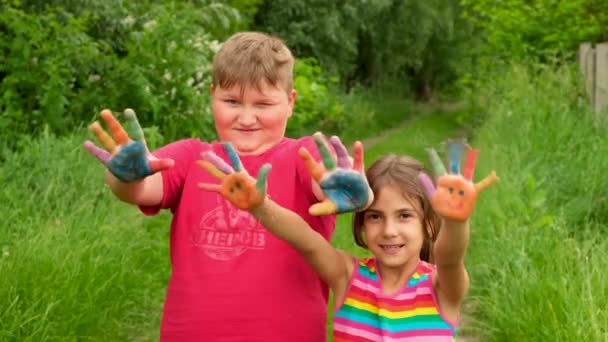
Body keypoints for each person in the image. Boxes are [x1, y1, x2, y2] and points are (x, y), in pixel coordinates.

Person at [83, 32, 371, 341]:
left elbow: (327, 184)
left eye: (263, 104)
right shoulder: (193, 156)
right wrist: (125, 176)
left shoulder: (302, 154)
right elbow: (141, 189)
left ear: (290, 102)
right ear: (212, 96)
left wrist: (345, 187)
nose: (246, 118)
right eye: (232, 101)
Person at [198, 138, 499, 341]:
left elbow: (450, 258)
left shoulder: (442, 287)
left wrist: (457, 221)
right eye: (375, 216)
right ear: (362, 223)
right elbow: (306, 239)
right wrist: (258, 205)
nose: (389, 230)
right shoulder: (348, 277)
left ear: (429, 226)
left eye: (404, 216)